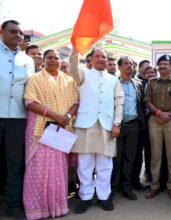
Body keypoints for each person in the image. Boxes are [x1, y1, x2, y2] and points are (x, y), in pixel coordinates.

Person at [23, 49, 79, 220]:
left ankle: (57, 207)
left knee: (58, 169)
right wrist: (56, 116)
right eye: (50, 58)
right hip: (40, 130)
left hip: (61, 130)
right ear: (44, 60)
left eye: (56, 58)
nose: (53, 60)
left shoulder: (69, 81)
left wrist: (67, 117)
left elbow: (76, 102)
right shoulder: (34, 79)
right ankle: (37, 209)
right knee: (37, 170)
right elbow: (30, 102)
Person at [69, 48, 124, 214]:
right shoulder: (83, 74)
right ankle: (85, 197)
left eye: (104, 57)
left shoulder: (114, 79)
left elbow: (119, 103)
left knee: (105, 165)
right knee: (85, 164)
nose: (101, 59)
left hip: (107, 125)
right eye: (97, 56)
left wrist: (117, 124)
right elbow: (72, 70)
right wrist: (75, 52)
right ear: (90, 59)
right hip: (85, 124)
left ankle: (103, 197)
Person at [0, 19, 35, 219]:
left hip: (18, 118)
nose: (18, 35)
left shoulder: (27, 60)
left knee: (15, 164)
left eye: (20, 33)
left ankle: (13, 206)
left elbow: (31, 88)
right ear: (1, 32)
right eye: (13, 31)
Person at [144, 54, 171, 200]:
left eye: (166, 64)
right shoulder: (151, 82)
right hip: (155, 120)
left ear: (170, 66)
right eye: (160, 64)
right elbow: (147, 100)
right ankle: (154, 185)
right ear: (158, 66)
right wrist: (158, 113)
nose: (163, 66)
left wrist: (168, 115)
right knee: (155, 155)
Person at [110, 56, 146, 201]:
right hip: (117, 126)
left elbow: (141, 105)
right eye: (125, 64)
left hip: (133, 125)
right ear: (119, 67)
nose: (129, 66)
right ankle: (113, 188)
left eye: (131, 64)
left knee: (129, 158)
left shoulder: (137, 84)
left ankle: (127, 187)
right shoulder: (112, 83)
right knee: (116, 158)